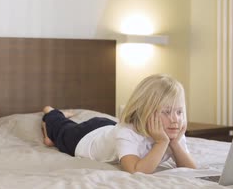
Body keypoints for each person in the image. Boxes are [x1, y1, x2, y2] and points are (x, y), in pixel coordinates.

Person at [41, 73, 197, 174]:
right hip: (85, 138)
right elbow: (136, 170)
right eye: (166, 111)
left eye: (179, 112)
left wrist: (175, 144)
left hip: (109, 129)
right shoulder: (127, 132)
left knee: (114, 128)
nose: (175, 119)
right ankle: (51, 113)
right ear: (145, 111)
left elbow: (191, 170)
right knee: (62, 127)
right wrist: (162, 142)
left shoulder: (171, 131)